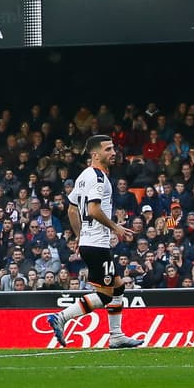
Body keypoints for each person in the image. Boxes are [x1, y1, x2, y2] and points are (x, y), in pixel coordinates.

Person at [47, 135, 144, 349]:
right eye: (108, 149)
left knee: (118, 287)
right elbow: (93, 209)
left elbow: (72, 209)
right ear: (95, 154)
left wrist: (81, 236)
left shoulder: (84, 176)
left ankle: (116, 336)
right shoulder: (99, 178)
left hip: (90, 243)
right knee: (105, 295)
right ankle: (61, 317)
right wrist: (115, 227)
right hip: (98, 245)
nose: (113, 153)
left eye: (113, 149)